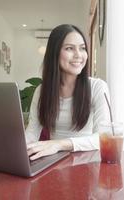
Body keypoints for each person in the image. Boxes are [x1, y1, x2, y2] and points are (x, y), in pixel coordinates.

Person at [26, 24, 111, 160]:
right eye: (69, 48)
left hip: (87, 162)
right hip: (52, 163)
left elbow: (103, 137)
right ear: (55, 53)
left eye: (82, 48)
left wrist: (59, 144)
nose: (78, 55)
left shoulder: (97, 87)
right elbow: (31, 134)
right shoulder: (41, 91)